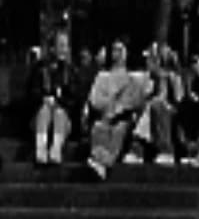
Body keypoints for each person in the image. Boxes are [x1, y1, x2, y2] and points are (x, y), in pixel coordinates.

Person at [84, 38, 148, 179]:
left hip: (123, 118)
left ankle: (103, 161)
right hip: (104, 116)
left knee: (119, 129)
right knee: (98, 127)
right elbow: (94, 99)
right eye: (114, 49)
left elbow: (135, 102)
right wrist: (109, 104)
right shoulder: (102, 76)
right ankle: (98, 159)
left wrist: (119, 108)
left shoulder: (133, 79)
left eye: (120, 50)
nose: (117, 53)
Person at [125, 43, 184, 167]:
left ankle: (142, 148)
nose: (147, 63)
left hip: (168, 115)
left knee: (156, 106)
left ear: (159, 62)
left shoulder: (173, 78)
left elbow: (180, 101)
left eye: (151, 60)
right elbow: (138, 100)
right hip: (148, 114)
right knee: (150, 107)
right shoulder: (145, 79)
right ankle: (148, 149)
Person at [29, 29, 75, 166]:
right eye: (60, 45)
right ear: (52, 48)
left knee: (59, 112)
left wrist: (58, 101)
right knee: (44, 110)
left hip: (63, 120)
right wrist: (44, 99)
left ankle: (56, 149)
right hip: (40, 119)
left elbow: (74, 99)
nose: (64, 50)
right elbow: (31, 94)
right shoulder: (39, 69)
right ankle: (41, 150)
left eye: (65, 46)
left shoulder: (71, 71)